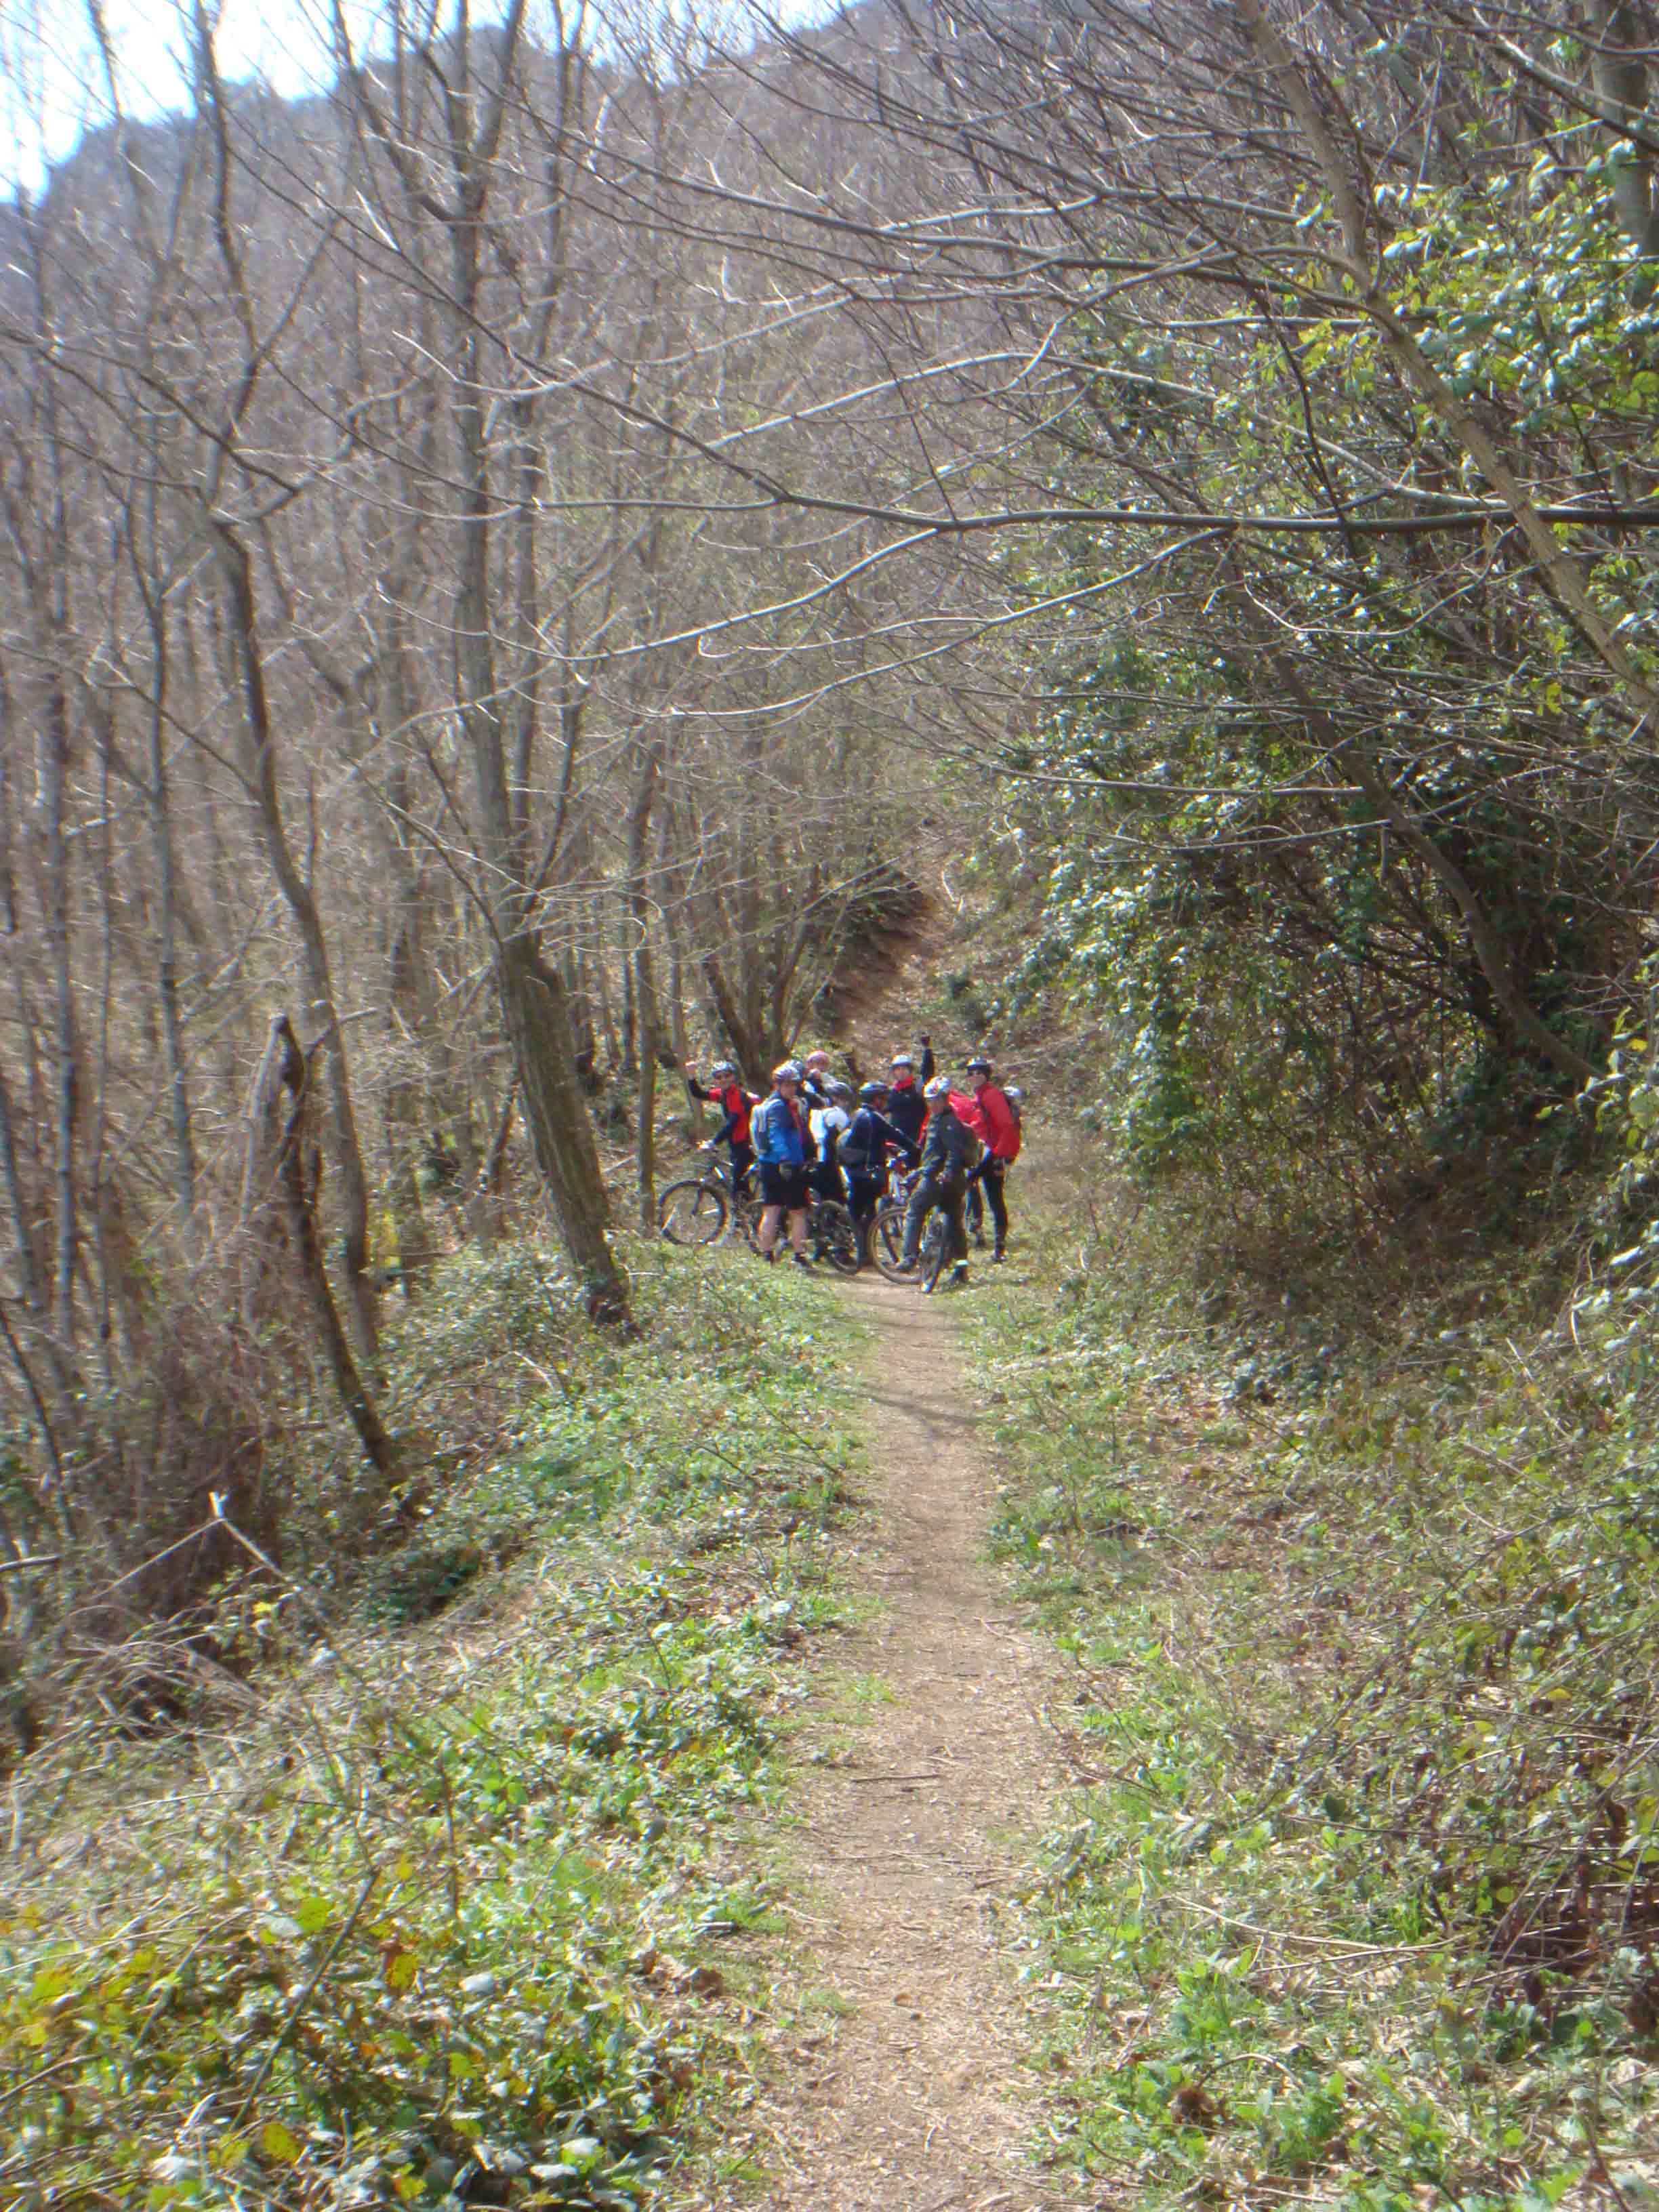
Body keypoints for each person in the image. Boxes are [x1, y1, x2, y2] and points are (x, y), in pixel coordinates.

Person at [897, 1074, 978, 1288]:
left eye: (936, 1100)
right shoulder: (942, 1120)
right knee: (954, 1224)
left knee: (915, 1209)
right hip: (951, 1180)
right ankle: (961, 1268)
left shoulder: (947, 1123)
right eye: (929, 1100)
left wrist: (947, 1173)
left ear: (945, 1099)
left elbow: (953, 1152)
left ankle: (909, 1256)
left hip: (940, 1179)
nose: (932, 1104)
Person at [750, 1062, 815, 1267]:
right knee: (797, 1212)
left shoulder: (779, 1104)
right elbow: (776, 1135)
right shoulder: (779, 1107)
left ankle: (767, 1255)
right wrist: (786, 1160)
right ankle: (799, 1257)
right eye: (787, 1085)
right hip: (785, 1166)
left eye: (794, 1084)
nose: (791, 1088)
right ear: (777, 1085)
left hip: (769, 1165)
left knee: (772, 1210)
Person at [958, 1053, 1021, 1263]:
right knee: (982, 1193)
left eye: (980, 1073)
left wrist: (997, 1154)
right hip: (985, 1151)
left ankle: (999, 1248)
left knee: (995, 1199)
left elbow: (1007, 1127)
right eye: (972, 1073)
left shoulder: (991, 1095)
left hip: (994, 1154)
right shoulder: (979, 1096)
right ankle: (982, 1238)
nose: (975, 1076)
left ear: (987, 1075)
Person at [837, 1080, 920, 1235]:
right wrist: (916, 1150)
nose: (885, 1102)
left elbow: (865, 1139)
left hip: (853, 1165)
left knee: (862, 1207)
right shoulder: (874, 1117)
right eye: (883, 1098)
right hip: (865, 1169)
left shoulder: (857, 1114)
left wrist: (888, 1148)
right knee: (865, 1205)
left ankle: (859, 1240)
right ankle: (856, 1240)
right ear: (876, 1099)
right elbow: (896, 1135)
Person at [684, 1059, 759, 1195]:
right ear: (715, 1080)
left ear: (733, 1076)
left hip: (746, 1144)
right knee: (741, 1187)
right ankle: (749, 1207)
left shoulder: (738, 1096)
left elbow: (732, 1124)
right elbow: (699, 1094)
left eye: (727, 1075)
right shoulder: (723, 1094)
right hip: (735, 1144)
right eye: (719, 1077)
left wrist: (714, 1142)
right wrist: (691, 1075)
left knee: (737, 1185)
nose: (723, 1079)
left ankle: (748, 1208)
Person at [882, 1034, 935, 1148]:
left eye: (904, 1069)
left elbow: (927, 1073)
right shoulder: (893, 1092)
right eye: (898, 1069)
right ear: (894, 1072)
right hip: (897, 1142)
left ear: (910, 1071)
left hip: (917, 1140)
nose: (901, 1072)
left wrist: (927, 1050)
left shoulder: (918, 1087)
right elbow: (879, 1111)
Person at [808, 1080, 855, 1204]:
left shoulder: (819, 1114)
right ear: (835, 1098)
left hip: (817, 1158)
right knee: (839, 1197)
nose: (846, 1103)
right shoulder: (838, 1114)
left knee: (826, 1196)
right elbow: (850, 1137)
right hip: (830, 1159)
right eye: (843, 1099)